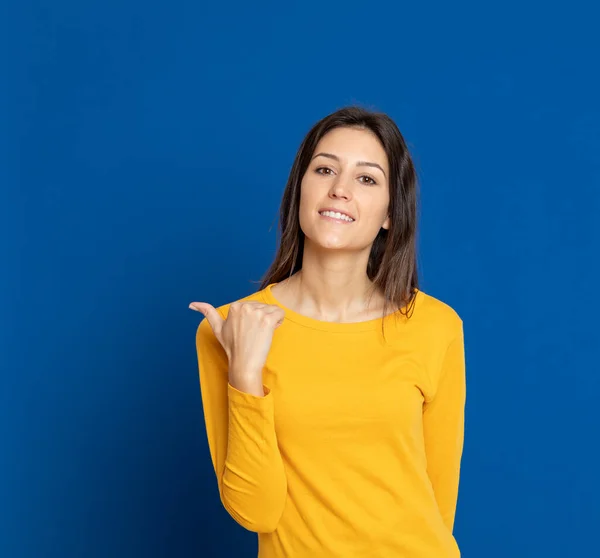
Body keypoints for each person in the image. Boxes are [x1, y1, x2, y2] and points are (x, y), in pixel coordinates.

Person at [189, 106, 466, 557]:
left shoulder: (435, 327)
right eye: (324, 169)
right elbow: (255, 510)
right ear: (300, 189)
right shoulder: (232, 328)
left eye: (366, 179)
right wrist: (245, 374)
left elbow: (439, 502)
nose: (339, 190)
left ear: (390, 215)